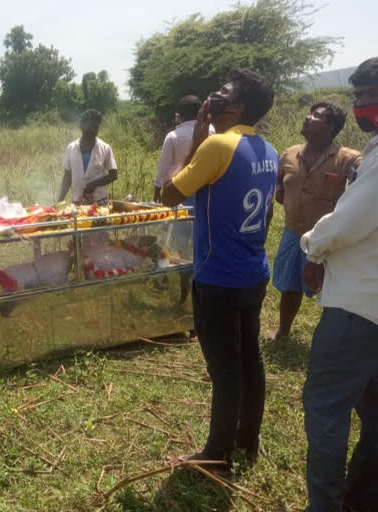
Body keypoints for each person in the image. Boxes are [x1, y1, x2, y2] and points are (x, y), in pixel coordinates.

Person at [161, 69, 278, 470]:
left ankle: (216, 453)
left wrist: (198, 138)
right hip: (253, 272)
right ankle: (249, 439)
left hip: (218, 277)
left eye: (223, 92)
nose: (214, 96)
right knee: (251, 358)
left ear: (238, 106)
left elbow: (169, 194)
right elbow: (267, 215)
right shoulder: (269, 150)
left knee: (226, 370)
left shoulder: (217, 145)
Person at [301, 57, 378, 512]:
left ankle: (325, 506)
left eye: (367, 94)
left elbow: (350, 221)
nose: (360, 104)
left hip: (357, 305)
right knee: (373, 409)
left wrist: (313, 245)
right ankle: (362, 496)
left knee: (327, 407)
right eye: (357, 94)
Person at [271, 103, 362, 340]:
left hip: (329, 239)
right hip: (293, 233)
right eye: (309, 113)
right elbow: (279, 191)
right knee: (290, 285)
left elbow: (357, 198)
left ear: (331, 127)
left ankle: (332, 339)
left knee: (331, 289)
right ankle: (283, 330)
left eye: (316, 116)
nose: (307, 117)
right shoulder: (290, 154)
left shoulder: (349, 160)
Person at [154, 95, 215, 204]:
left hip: (179, 188)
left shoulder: (173, 136)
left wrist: (157, 189)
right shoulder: (211, 130)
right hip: (206, 188)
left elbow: (163, 166)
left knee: (182, 218)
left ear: (179, 115)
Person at [57, 109, 119, 205]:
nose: (93, 130)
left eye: (96, 127)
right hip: (78, 202)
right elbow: (67, 177)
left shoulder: (105, 148)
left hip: (99, 202)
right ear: (82, 126)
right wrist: (59, 201)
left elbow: (114, 175)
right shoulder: (71, 148)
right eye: (90, 126)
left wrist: (95, 184)